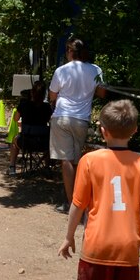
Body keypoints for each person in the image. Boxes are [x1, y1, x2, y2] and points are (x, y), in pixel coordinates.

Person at [58, 99, 140, 280]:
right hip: (127, 248)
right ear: (134, 130)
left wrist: (69, 236)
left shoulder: (89, 161)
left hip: (96, 245)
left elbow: (78, 205)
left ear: (103, 131)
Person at [49, 38, 107, 212]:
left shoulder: (61, 70)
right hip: (82, 119)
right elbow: (102, 93)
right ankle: (79, 199)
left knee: (65, 160)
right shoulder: (95, 69)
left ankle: (72, 203)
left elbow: (52, 96)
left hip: (61, 117)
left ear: (69, 51)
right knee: (76, 161)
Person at [7, 80, 53, 175]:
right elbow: (51, 122)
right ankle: (47, 166)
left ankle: (12, 167)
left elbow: (16, 119)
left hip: (25, 142)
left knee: (14, 141)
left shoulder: (24, 104)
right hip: (43, 143)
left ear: (32, 92)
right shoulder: (47, 107)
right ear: (44, 94)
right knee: (51, 139)